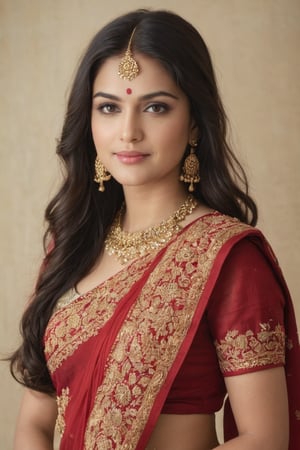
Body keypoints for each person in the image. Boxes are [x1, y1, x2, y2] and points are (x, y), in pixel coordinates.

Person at [9, 9, 300, 450]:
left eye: (156, 107)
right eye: (109, 107)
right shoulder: (71, 247)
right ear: (87, 122)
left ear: (196, 123)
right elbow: (34, 420)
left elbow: (266, 438)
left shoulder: (227, 257)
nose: (128, 132)